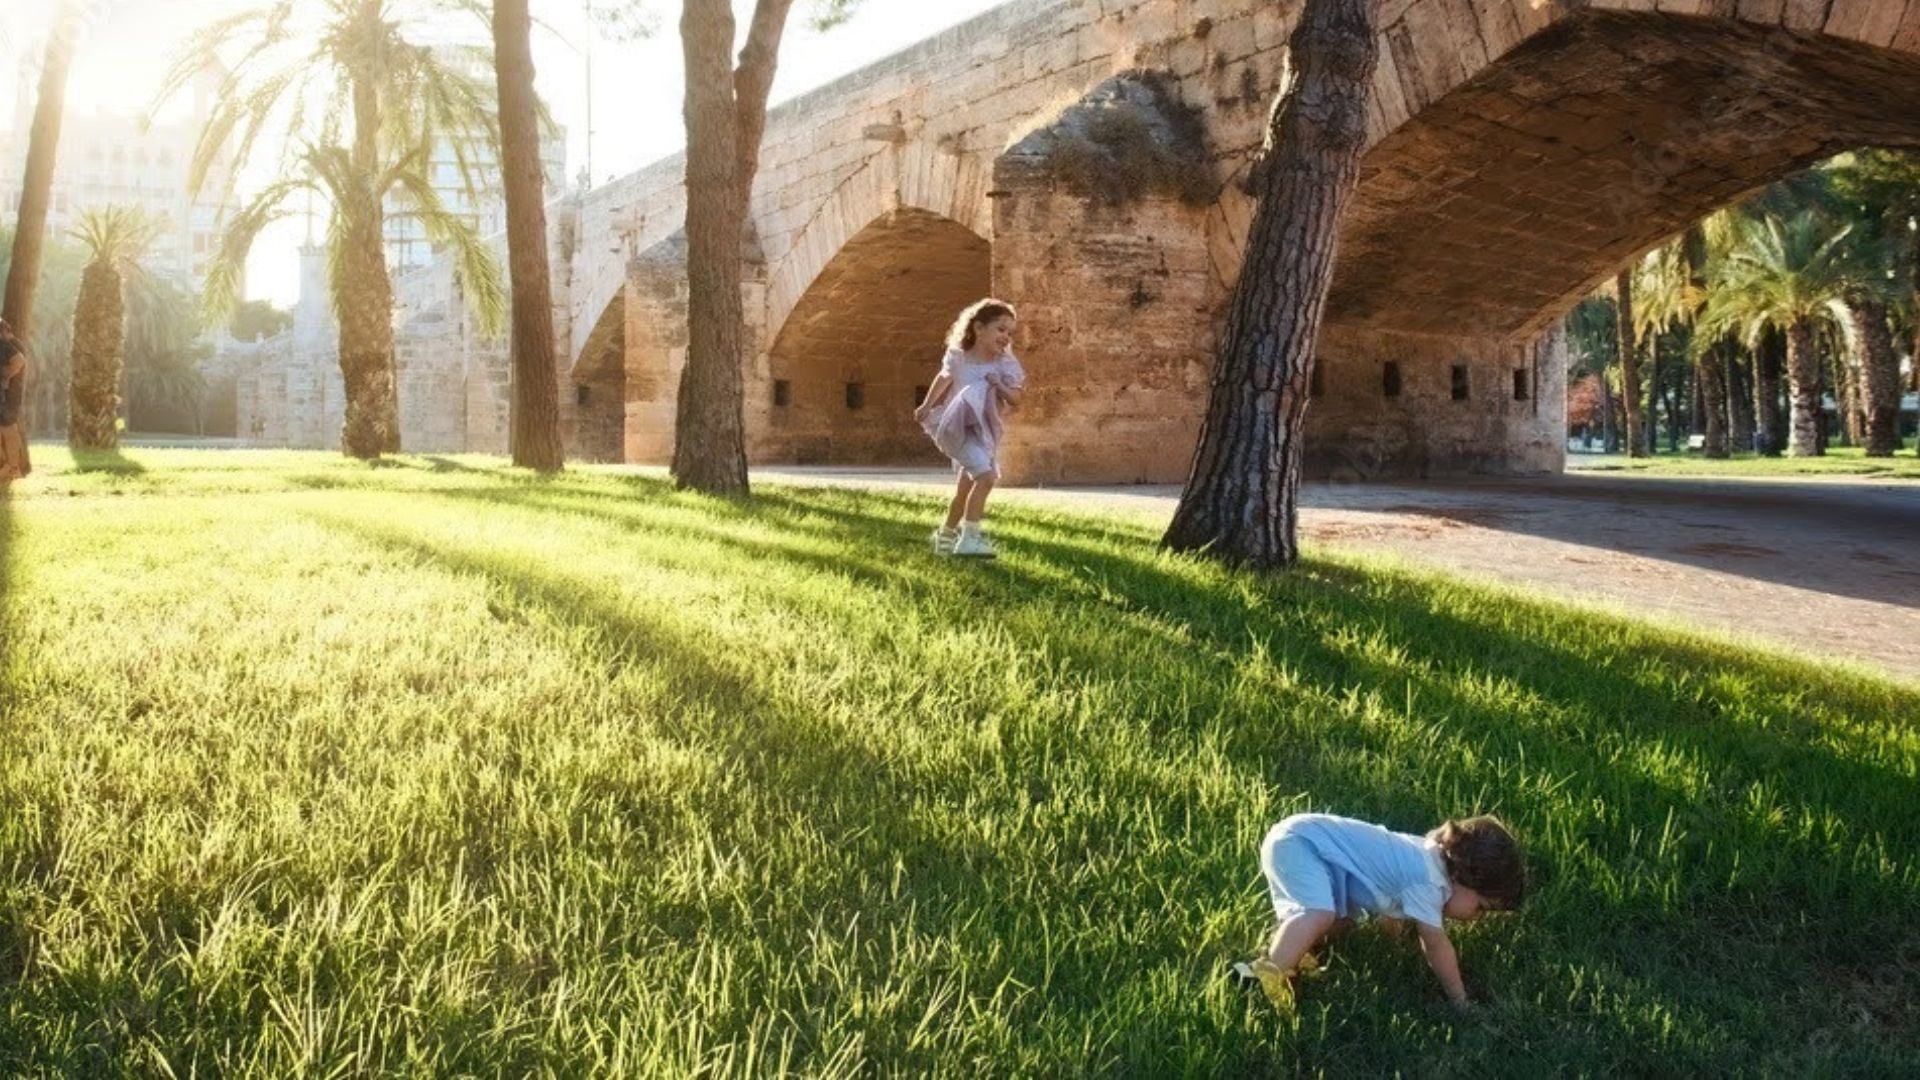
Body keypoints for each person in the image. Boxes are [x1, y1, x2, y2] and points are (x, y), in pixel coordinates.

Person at [1232, 812, 1525, 1011]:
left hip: (1312, 844)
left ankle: (1294, 952)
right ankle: (1265, 977)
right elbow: (1436, 945)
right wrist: (1460, 1001)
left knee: (1341, 924)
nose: (1476, 918)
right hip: (1301, 844)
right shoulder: (1429, 884)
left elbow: (1392, 909)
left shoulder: (1427, 861)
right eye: (1481, 908)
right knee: (1318, 914)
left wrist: (1392, 943)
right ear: (1462, 876)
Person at [914, 299, 1024, 558]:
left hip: (983, 432)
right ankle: (970, 539)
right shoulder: (959, 357)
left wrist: (998, 384)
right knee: (986, 477)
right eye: (1001, 329)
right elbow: (944, 377)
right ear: (978, 328)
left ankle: (946, 536)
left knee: (965, 489)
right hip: (956, 428)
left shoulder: (1004, 365)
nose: (1006, 337)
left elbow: (1016, 399)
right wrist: (927, 405)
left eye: (1010, 332)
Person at [0, 318, 30, 488]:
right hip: (9, 394)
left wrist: (4, 377)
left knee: (9, 429)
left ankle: (13, 467)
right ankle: (8, 466)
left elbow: (19, 361)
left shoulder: (7, 345)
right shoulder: (11, 344)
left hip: (10, 395)